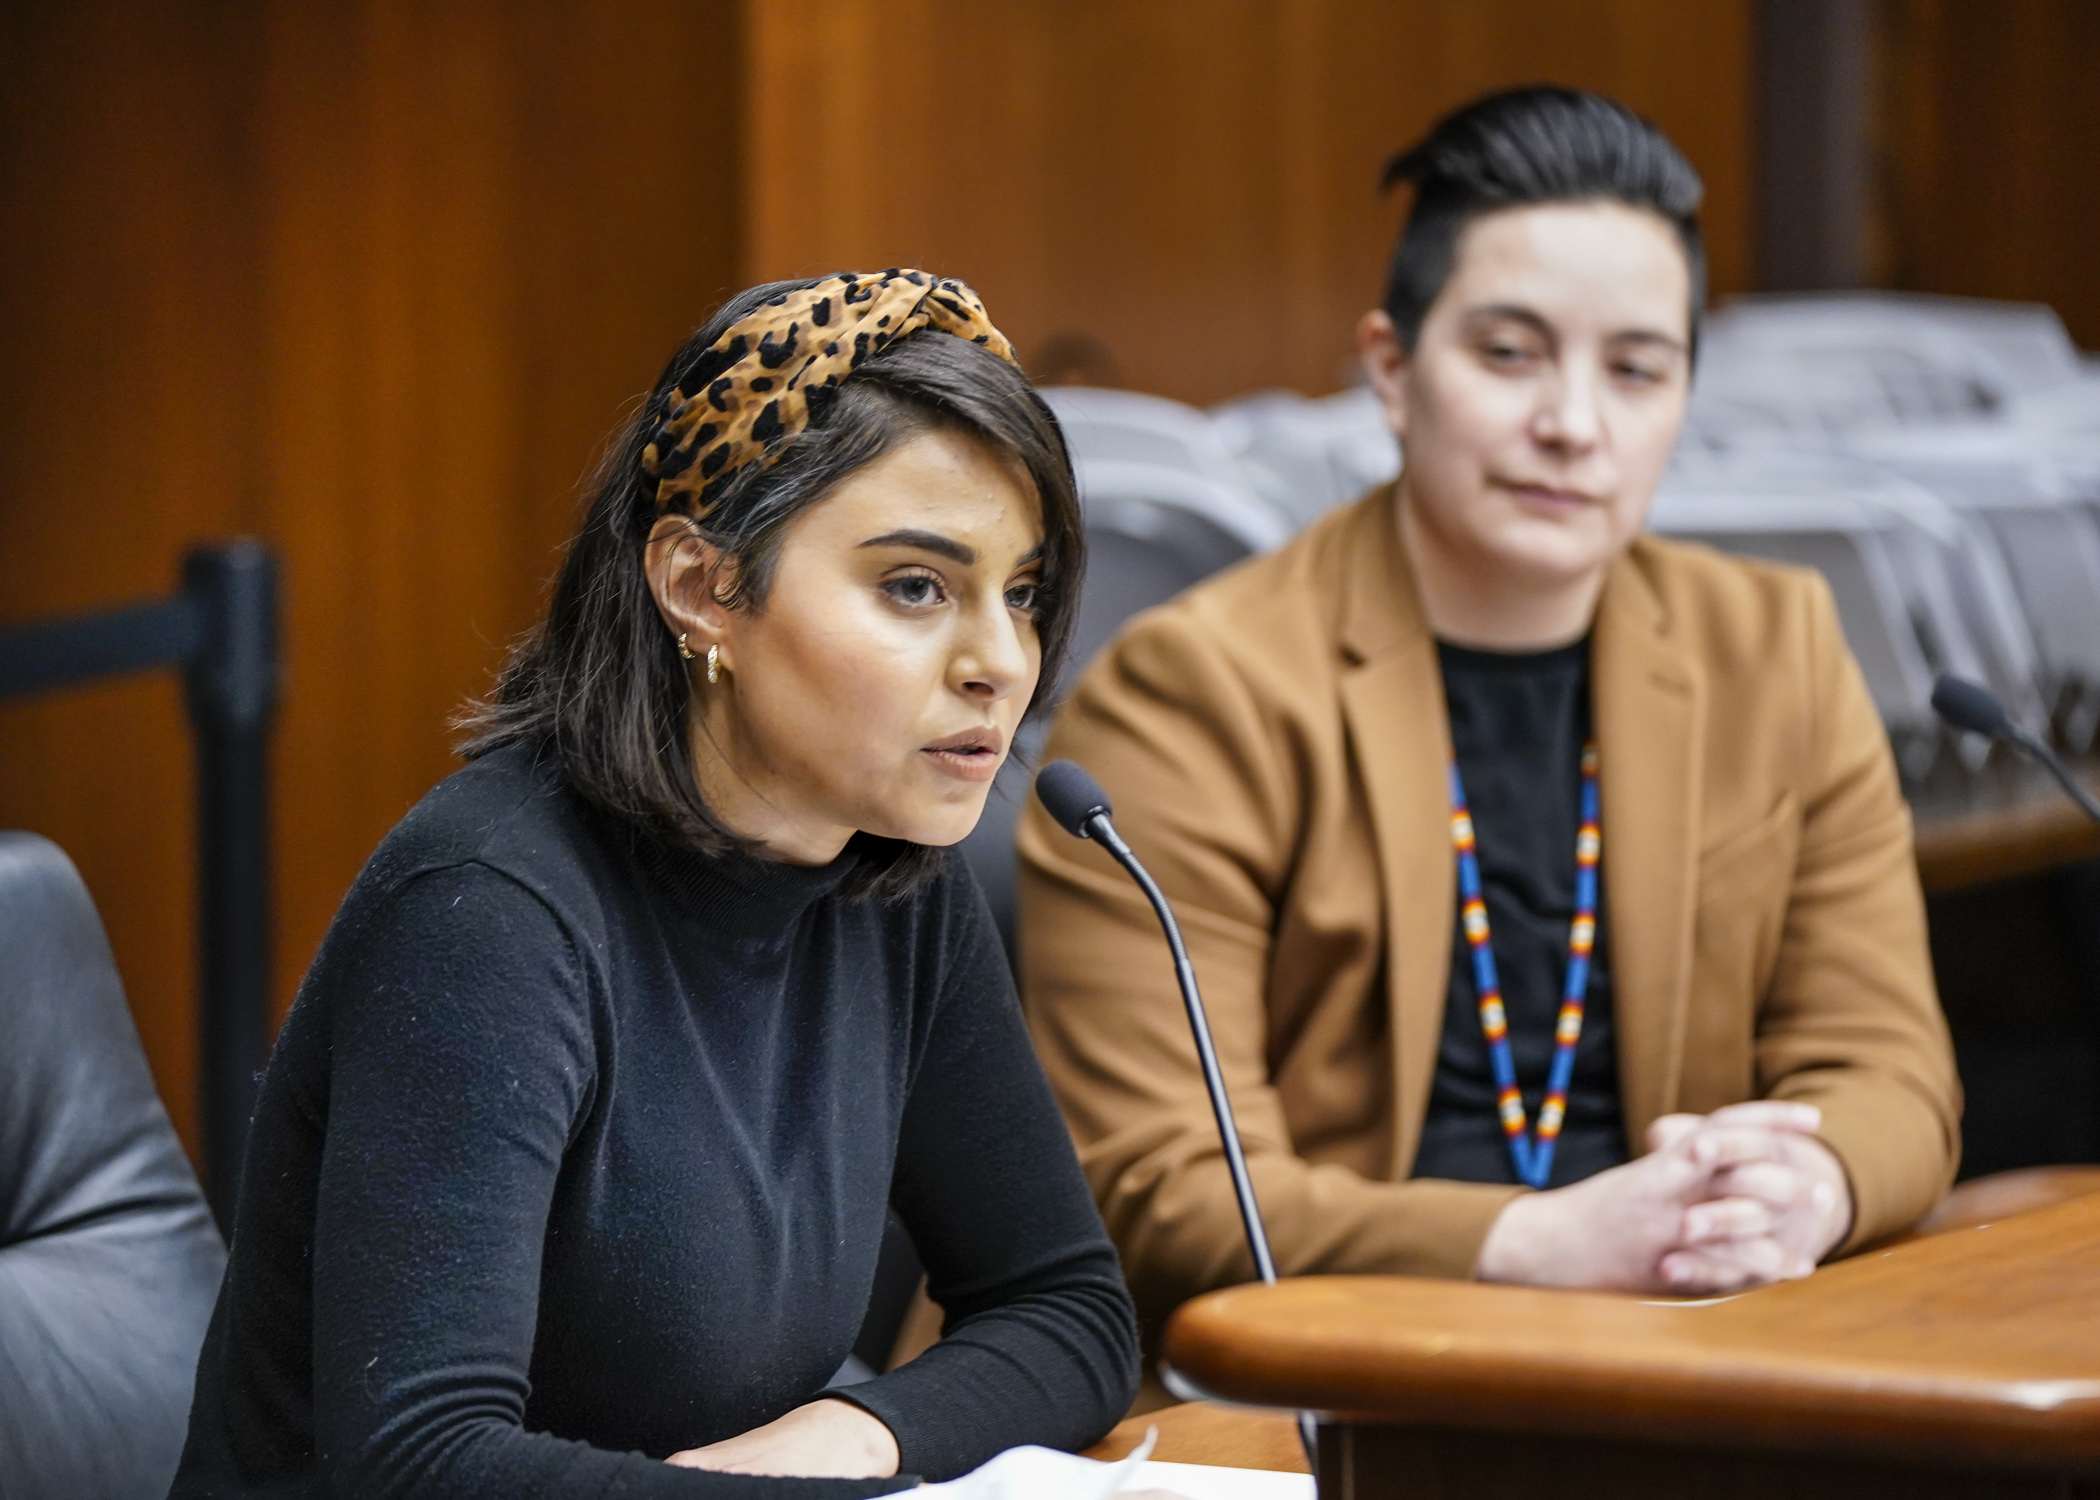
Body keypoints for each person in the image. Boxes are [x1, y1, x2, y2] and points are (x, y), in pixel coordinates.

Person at [1016, 88, 1961, 1353]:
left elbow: (1893, 1073)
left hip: (1690, 1346)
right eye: (1509, 354)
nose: (1574, 424)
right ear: (1394, 373)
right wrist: (1543, 1242)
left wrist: (1808, 1187)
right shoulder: (1196, 690)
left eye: (1637, 369)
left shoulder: (1774, 650)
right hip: (1324, 1374)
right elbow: (1158, 1190)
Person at [170, 271, 1139, 1497]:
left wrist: (848, 1442)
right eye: (914, 587)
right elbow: (418, 1463)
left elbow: (1068, 1308)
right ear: (698, 588)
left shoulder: (890, 880)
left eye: (1023, 593)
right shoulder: (489, 912)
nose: (1001, 663)